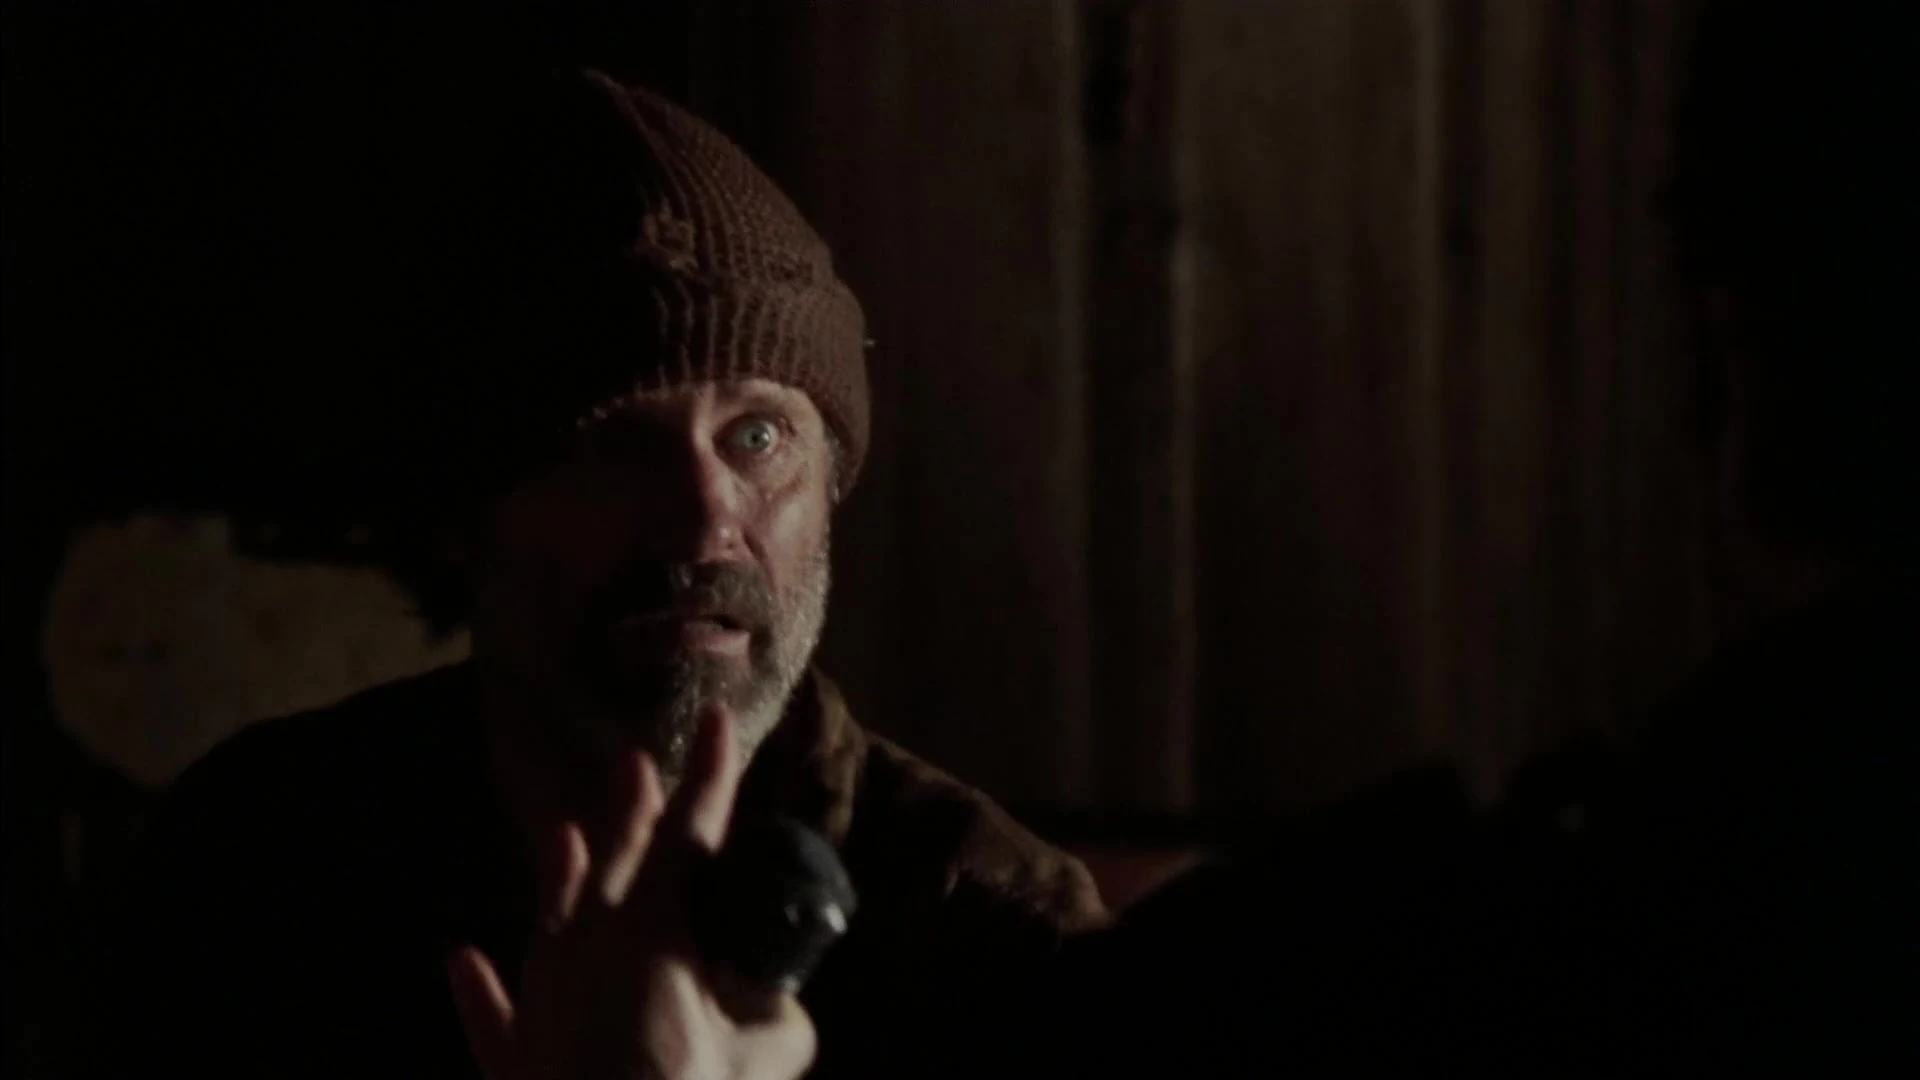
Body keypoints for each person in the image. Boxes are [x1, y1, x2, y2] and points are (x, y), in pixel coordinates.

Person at [57, 72, 1104, 1079]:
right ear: (469, 514)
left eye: (756, 437)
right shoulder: (259, 870)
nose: (704, 516)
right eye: (615, 445)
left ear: (830, 482)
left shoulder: (996, 944)